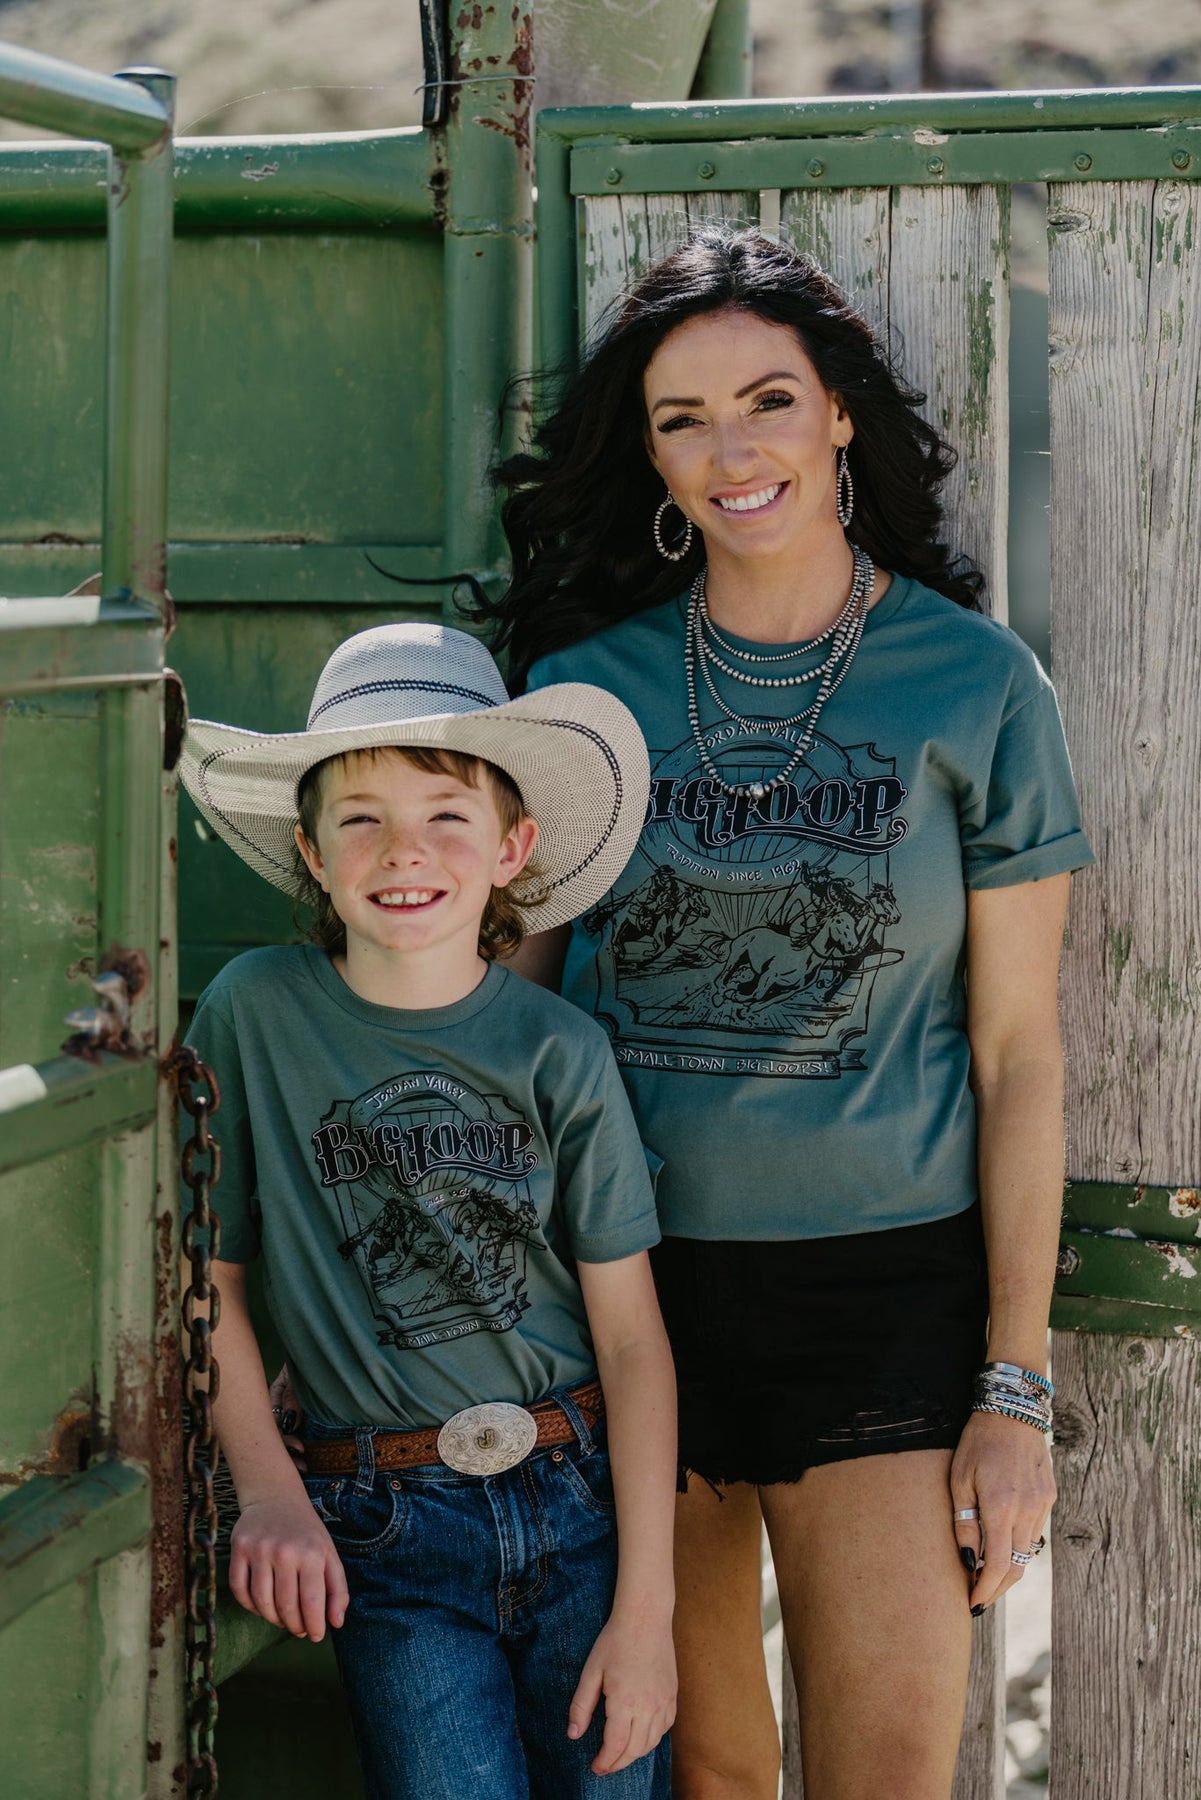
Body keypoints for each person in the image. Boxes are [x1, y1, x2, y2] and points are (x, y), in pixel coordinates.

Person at [485, 228, 1094, 1800]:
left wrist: (1013, 1386)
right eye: (682, 419)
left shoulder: (975, 686)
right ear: (650, 457)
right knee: (708, 1780)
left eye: (767, 401)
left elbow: (1020, 1055)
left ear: (836, 416)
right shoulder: (581, 693)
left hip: (884, 1302)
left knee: (885, 1776)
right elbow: (512, 1035)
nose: (731, 450)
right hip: (626, 1302)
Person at [179, 622, 677, 1800]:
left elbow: (631, 1342)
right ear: (311, 851)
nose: (404, 849)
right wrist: (268, 1490)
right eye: (360, 818)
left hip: (577, 1501)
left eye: (446, 813)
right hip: (381, 1523)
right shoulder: (256, 1013)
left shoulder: (560, 1049)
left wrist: (648, 1613)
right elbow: (208, 1279)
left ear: (512, 847)